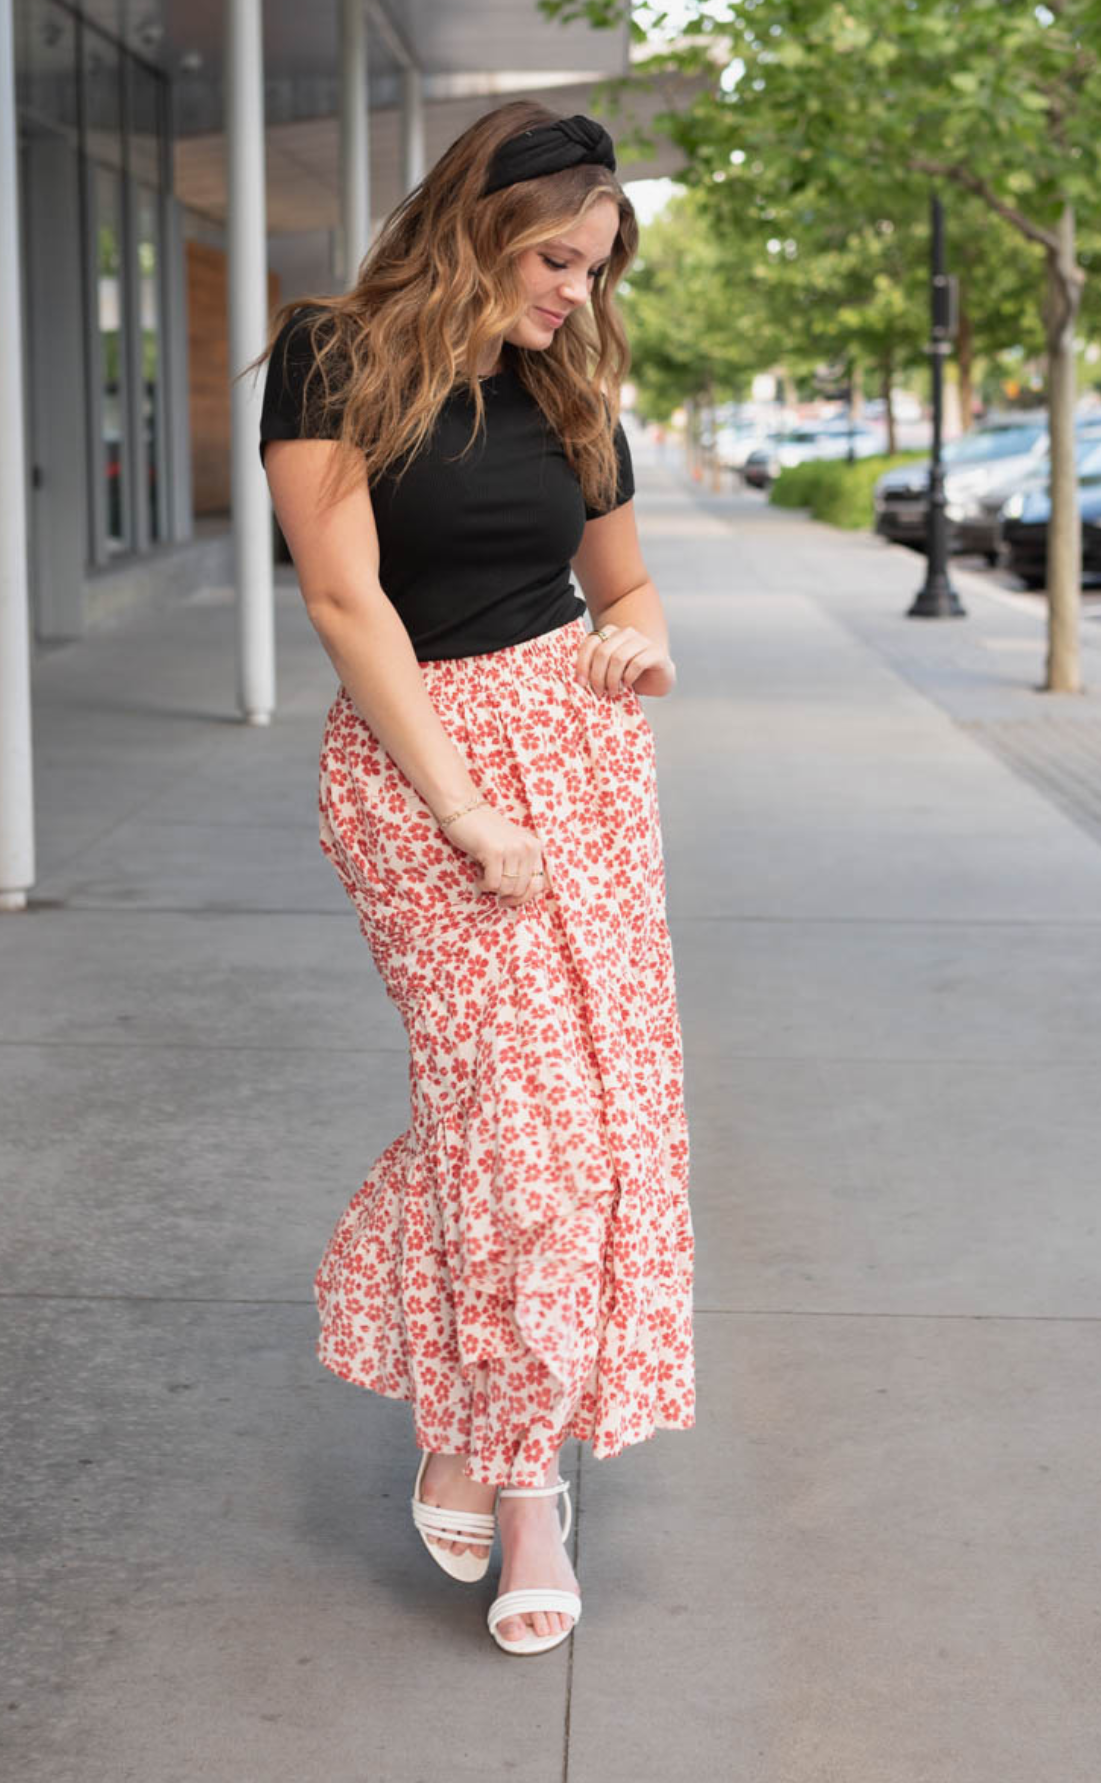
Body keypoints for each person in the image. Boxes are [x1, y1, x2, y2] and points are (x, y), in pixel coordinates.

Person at [256, 99, 694, 1657]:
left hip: (579, 765)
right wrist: (460, 809)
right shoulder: (335, 354)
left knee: (586, 1123)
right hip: (415, 774)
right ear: (478, 222)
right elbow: (340, 594)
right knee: (527, 1132)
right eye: (557, 256)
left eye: (594, 268)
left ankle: (480, 1434)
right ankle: (524, 1486)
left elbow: (621, 582)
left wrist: (633, 647)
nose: (575, 291)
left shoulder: (571, 393)